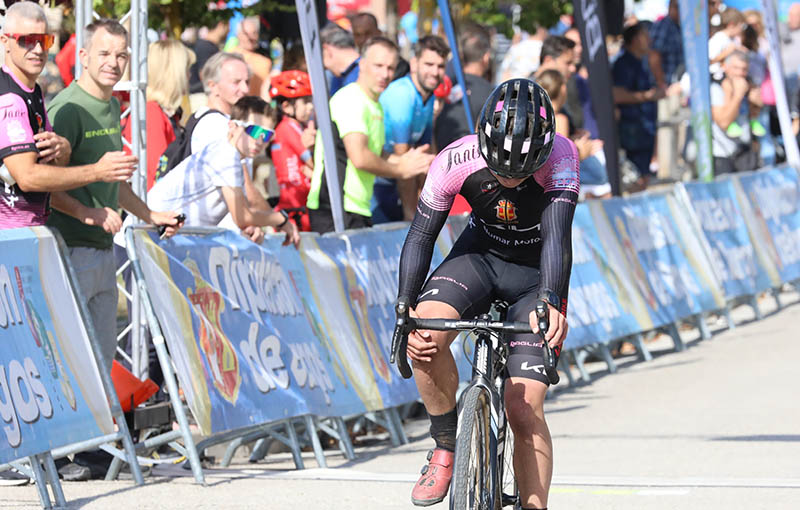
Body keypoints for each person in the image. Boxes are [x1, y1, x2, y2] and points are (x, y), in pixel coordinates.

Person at [394, 78, 578, 509]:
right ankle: (444, 445)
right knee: (423, 336)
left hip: (535, 275)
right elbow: (422, 236)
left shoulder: (563, 156)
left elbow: (557, 241)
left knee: (522, 406)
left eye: (522, 172)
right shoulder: (455, 158)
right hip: (478, 258)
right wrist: (405, 305)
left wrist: (551, 300)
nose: (511, 181)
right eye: (500, 171)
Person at [46, 18, 183, 375]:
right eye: (104, 53)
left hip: (102, 250)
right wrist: (85, 213)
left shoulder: (108, 105)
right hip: (68, 249)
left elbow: (113, 181)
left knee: (101, 366)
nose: (113, 62)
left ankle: (110, 430)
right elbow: (44, 183)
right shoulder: (68, 109)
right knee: (71, 367)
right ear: (84, 56)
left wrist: (151, 215)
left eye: (121, 55)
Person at [0, 2, 136, 230]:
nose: (37, 49)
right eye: (26, 40)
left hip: (30, 230)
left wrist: (63, 151)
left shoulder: (32, 91)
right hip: (9, 236)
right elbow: (28, 177)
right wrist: (97, 171)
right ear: (5, 42)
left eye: (43, 41)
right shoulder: (9, 100)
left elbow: (51, 170)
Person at [306, 36, 433, 233]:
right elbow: (360, 158)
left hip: (356, 207)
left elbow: (377, 153)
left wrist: (404, 160)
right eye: (378, 65)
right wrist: (400, 171)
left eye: (390, 68)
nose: (385, 74)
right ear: (362, 64)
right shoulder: (352, 99)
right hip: (334, 206)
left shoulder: (375, 104)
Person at [148, 96, 299, 246]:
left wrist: (252, 226)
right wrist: (280, 219)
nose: (259, 141)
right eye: (253, 130)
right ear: (232, 126)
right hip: (148, 237)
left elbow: (243, 216)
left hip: (160, 239)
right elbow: (242, 217)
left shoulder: (231, 157)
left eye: (266, 135)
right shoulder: (226, 155)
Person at [375, 35, 448, 223]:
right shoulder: (403, 94)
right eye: (429, 64)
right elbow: (405, 161)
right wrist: (413, 216)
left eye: (440, 66)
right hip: (379, 183)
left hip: (395, 178)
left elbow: (427, 154)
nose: (435, 72)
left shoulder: (428, 96)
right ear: (414, 64)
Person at [122, 39, 195, 190]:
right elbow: (159, 176)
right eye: (186, 69)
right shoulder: (151, 113)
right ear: (174, 73)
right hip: (156, 208)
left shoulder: (163, 113)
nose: (189, 76)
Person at [539, 69, 610, 199]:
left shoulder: (541, 116)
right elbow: (561, 154)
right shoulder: (559, 118)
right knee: (603, 183)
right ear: (562, 90)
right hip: (565, 174)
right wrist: (582, 146)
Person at [612, 22, 667, 188]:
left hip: (644, 128)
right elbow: (617, 94)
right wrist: (646, 96)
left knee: (644, 175)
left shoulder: (642, 62)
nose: (650, 40)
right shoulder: (623, 64)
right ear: (635, 39)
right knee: (636, 179)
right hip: (633, 130)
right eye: (645, 36)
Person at [269, 70, 315, 231]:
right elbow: (314, 165)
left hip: (301, 207)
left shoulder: (296, 126)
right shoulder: (288, 128)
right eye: (305, 101)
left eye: (311, 101)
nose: (310, 107)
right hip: (294, 211)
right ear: (287, 107)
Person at [433, 26, 493, 150]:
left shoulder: (447, 85)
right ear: (486, 57)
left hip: (438, 156)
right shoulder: (491, 94)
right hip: (467, 159)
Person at [711, 51, 759, 174]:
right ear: (725, 67)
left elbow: (757, 109)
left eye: (744, 69)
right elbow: (723, 122)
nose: (740, 73)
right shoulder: (716, 88)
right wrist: (737, 95)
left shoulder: (747, 85)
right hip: (724, 155)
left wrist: (754, 100)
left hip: (745, 153)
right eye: (736, 68)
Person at [188, 15, 229, 110]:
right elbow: (205, 75)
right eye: (228, 26)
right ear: (221, 25)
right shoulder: (206, 47)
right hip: (201, 98)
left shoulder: (208, 46)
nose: (229, 30)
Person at [232, 16, 272, 99]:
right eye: (246, 34)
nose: (251, 38)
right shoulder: (228, 58)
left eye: (254, 33)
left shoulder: (265, 62)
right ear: (238, 35)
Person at [321, 23, 361, 97]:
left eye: (321, 56)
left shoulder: (366, 73)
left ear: (327, 50)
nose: (325, 68)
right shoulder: (338, 78)